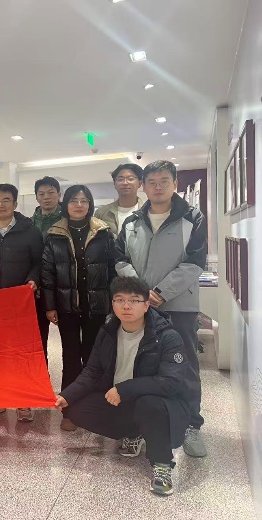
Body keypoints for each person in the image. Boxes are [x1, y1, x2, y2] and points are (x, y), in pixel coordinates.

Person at [56, 277, 192, 496]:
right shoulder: (108, 332)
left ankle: (162, 464)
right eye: (120, 300)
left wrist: (125, 389)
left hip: (159, 404)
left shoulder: (167, 336)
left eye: (134, 300)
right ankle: (134, 432)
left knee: (149, 405)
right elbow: (93, 371)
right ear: (113, 304)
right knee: (74, 408)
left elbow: (171, 382)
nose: (126, 306)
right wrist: (67, 395)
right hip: (122, 399)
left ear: (147, 305)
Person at [116, 160, 208, 458]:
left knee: (184, 365)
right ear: (143, 186)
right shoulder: (132, 221)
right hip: (139, 307)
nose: (157, 187)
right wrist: (140, 294)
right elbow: (120, 259)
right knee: (139, 364)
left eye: (164, 181)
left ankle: (192, 425)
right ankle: (138, 427)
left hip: (178, 306)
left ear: (175, 184)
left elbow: (195, 262)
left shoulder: (192, 218)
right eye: (152, 182)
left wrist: (160, 292)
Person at [42, 185, 115, 431]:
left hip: (97, 305)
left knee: (94, 358)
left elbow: (113, 270)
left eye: (84, 200)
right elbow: (48, 274)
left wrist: (113, 303)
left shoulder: (103, 233)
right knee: (71, 356)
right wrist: (50, 306)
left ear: (90, 204)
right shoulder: (55, 234)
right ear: (66, 204)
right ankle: (70, 411)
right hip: (67, 306)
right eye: (74, 200)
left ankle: (95, 408)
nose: (79, 205)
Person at [0, 183, 44, 422]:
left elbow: (38, 262)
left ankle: (23, 401)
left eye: (6, 200)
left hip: (20, 303)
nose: (0, 205)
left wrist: (33, 279)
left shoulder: (30, 231)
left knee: (21, 354)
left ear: (15, 204)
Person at [30, 176, 63, 366]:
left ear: (59, 194)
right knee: (37, 337)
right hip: (38, 286)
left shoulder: (68, 219)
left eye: (51, 193)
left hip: (63, 284)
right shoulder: (28, 223)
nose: (46, 197)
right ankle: (42, 375)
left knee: (70, 337)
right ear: (36, 197)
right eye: (41, 194)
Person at [95, 163, 145, 237]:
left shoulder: (148, 211)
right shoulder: (102, 213)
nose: (125, 183)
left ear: (140, 183)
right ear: (115, 184)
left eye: (130, 179)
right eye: (120, 179)